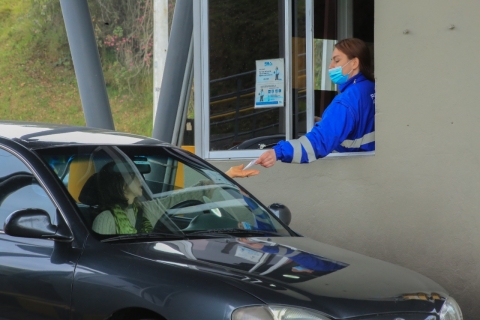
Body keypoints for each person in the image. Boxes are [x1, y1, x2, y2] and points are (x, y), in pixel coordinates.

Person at [256, 38, 375, 167]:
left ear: (354, 63)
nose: (331, 66)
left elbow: (321, 141)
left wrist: (278, 152)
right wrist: (325, 121)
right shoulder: (373, 89)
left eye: (337, 60)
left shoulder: (346, 101)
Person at [92, 162, 260, 235]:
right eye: (133, 176)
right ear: (122, 186)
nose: (140, 179)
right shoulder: (104, 220)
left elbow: (184, 196)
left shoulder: (147, 209)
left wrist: (226, 176)